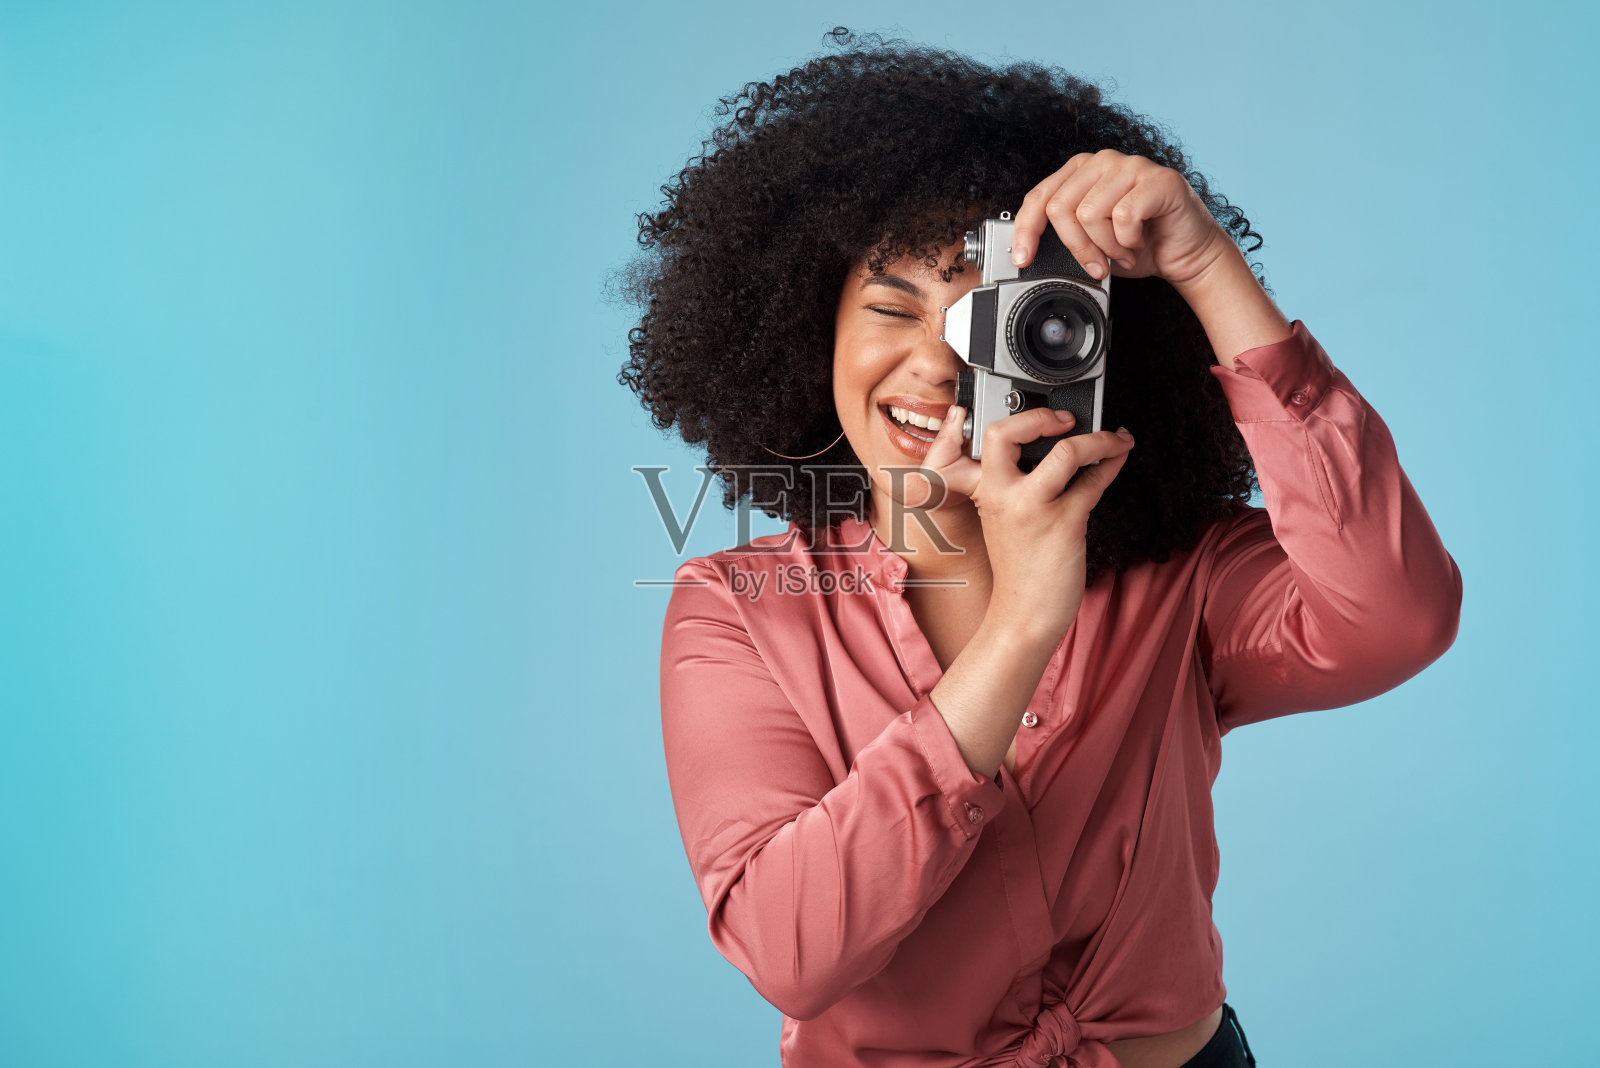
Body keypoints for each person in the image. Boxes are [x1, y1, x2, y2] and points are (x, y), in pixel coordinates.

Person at [616, 29, 1462, 1068]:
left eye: (990, 320)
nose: (931, 361)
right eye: (890, 306)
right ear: (806, 333)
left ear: (1079, 344)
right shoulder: (740, 605)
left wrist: (1204, 269)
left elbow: (1399, 615)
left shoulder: (1183, 574)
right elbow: (791, 949)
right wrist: (1022, 622)